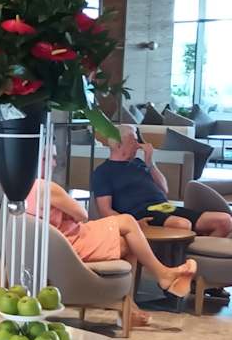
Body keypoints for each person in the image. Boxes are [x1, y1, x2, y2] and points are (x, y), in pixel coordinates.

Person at [27, 178, 197, 318]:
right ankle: (160, 277)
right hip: (71, 243)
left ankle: (133, 302)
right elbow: (82, 214)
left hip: (55, 247)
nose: (54, 162)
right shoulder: (46, 187)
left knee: (128, 231)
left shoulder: (22, 191)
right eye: (50, 158)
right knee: (128, 230)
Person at [91, 126, 232, 240]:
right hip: (142, 214)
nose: (138, 144)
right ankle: (184, 258)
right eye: (133, 140)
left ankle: (195, 257)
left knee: (224, 221)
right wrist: (131, 223)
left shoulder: (139, 163)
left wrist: (150, 162)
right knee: (182, 224)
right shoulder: (103, 172)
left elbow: (164, 189)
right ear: (119, 144)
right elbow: (105, 211)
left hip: (166, 208)